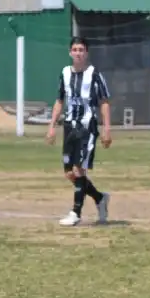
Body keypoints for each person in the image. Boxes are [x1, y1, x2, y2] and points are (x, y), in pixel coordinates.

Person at [46, 37, 112, 226]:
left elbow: (104, 102)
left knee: (79, 169)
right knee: (70, 173)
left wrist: (107, 129)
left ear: (86, 53)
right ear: (70, 52)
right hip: (69, 126)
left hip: (87, 127)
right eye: (75, 49)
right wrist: (52, 126)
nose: (78, 53)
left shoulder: (95, 74)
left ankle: (75, 213)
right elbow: (59, 101)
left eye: (81, 49)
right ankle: (100, 198)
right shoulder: (65, 73)